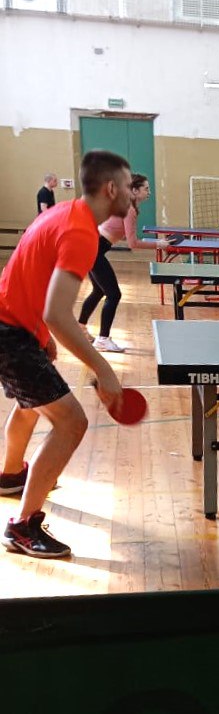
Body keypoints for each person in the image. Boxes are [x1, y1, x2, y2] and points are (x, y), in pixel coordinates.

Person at [0, 150, 128, 558]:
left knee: (30, 405)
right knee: (71, 423)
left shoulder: (62, 213)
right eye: (128, 187)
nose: (132, 195)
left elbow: (29, 275)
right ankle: (22, 526)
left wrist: (41, 335)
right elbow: (58, 314)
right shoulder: (81, 233)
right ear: (111, 189)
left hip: (13, 324)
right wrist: (104, 370)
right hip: (10, 334)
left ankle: (10, 476)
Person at [78, 174, 169, 352]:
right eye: (146, 188)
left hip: (91, 247)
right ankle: (103, 339)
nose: (149, 192)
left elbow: (123, 234)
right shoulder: (129, 209)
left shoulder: (126, 205)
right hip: (93, 249)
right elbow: (132, 244)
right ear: (134, 190)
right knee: (114, 295)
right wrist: (158, 244)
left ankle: (80, 327)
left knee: (99, 290)